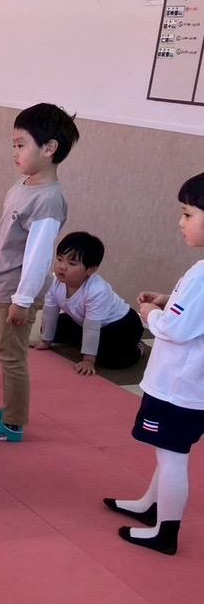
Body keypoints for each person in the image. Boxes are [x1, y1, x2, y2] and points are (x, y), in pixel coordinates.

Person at [105, 173, 204, 555]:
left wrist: (151, 314)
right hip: (189, 385)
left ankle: (166, 531)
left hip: (179, 387)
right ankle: (151, 505)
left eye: (188, 214)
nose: (181, 222)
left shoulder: (202, 276)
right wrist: (166, 300)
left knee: (172, 456)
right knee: (168, 451)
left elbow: (177, 329)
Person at [0, 103, 79, 443]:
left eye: (21, 145)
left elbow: (37, 257)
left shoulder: (48, 200)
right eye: (13, 145)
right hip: (5, 285)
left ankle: (13, 424)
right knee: (5, 350)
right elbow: (6, 240)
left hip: (18, 292)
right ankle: (9, 408)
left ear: (49, 148)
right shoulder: (24, 185)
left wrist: (23, 299)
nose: (14, 151)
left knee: (12, 357)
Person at [33, 231, 144, 374]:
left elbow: (92, 326)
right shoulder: (55, 282)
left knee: (110, 359)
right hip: (83, 321)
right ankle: (88, 344)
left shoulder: (97, 290)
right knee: (50, 330)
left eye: (71, 263)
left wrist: (88, 360)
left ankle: (138, 348)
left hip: (122, 324)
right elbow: (50, 312)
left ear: (90, 270)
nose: (62, 267)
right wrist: (45, 341)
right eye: (59, 259)